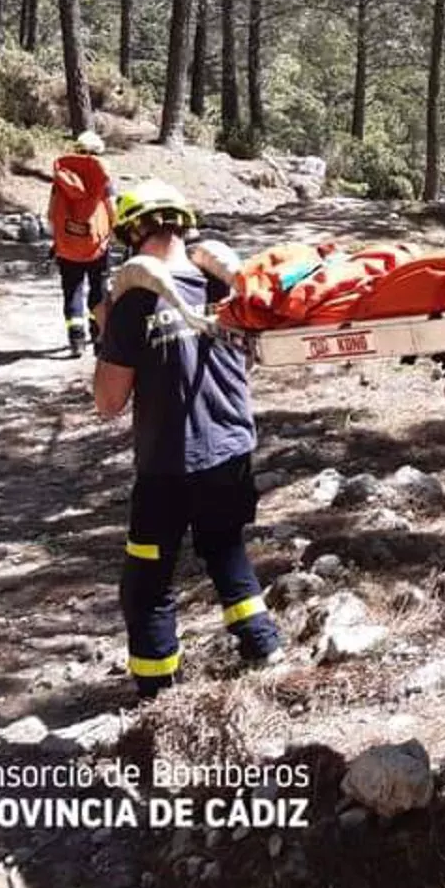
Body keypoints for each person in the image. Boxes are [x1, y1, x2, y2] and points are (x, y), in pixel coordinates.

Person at [93, 180, 283, 698]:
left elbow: (108, 403)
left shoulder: (133, 304)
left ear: (132, 232)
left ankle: (160, 697)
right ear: (182, 223)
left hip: (168, 467)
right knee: (224, 547)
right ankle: (264, 646)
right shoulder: (221, 286)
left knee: (146, 586)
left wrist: (106, 335)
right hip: (233, 450)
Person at [47, 130, 115, 358]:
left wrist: (58, 238)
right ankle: (99, 338)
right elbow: (112, 208)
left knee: (72, 291)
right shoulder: (101, 177)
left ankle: (76, 340)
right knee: (98, 291)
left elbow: (51, 213)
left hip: (67, 247)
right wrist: (115, 233)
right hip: (97, 246)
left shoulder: (62, 176)